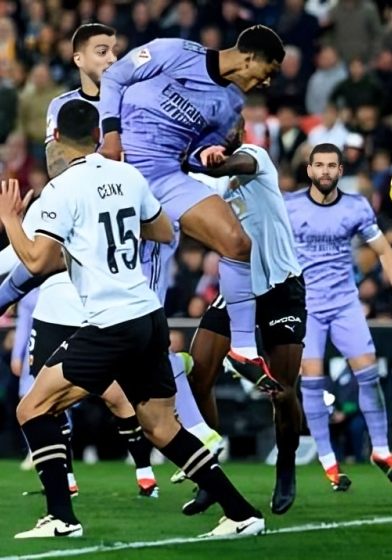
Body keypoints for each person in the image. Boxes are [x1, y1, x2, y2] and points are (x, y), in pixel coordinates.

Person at [0, 99, 262, 539]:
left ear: (57, 137)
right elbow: (162, 232)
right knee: (160, 426)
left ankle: (62, 518)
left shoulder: (61, 190)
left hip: (109, 322)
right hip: (147, 316)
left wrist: (10, 220)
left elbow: (37, 261)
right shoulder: (127, 174)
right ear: (99, 137)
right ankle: (240, 512)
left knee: (32, 407)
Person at [0, 24, 158, 498]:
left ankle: (149, 468)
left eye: (114, 49)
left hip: (118, 261)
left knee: (119, 392)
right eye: (101, 50)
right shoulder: (61, 109)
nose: (111, 57)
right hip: (76, 251)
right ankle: (67, 481)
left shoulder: (137, 99)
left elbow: (152, 198)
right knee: (41, 390)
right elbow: (56, 167)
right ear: (79, 57)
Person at [97, 26, 286, 387]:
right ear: (250, 57)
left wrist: (214, 154)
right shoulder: (176, 52)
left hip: (166, 176)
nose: (267, 83)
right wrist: (111, 136)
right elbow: (115, 77)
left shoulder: (231, 107)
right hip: (121, 168)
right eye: (270, 72)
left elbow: (192, 159)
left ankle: (243, 350)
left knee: (238, 243)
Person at [179, 136, 307, 516]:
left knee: (282, 390)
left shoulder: (254, 157)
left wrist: (192, 160)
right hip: (238, 290)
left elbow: (224, 166)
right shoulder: (206, 186)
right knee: (198, 376)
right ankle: (209, 474)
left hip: (281, 286)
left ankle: (286, 466)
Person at [285, 143, 392, 491]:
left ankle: (381, 450)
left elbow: (385, 252)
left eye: (332, 165)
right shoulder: (290, 206)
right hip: (307, 306)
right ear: (310, 170)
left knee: (369, 372)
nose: (325, 171)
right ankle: (329, 462)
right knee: (311, 377)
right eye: (319, 165)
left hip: (344, 303)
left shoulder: (356, 207)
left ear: (340, 171)